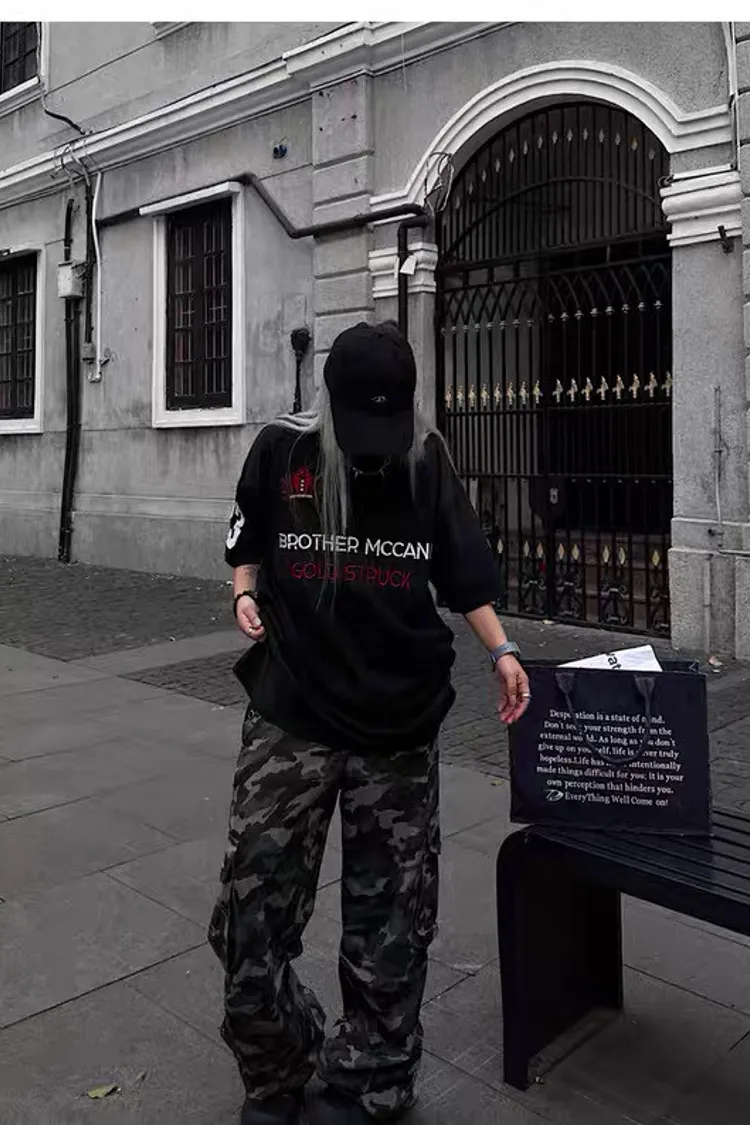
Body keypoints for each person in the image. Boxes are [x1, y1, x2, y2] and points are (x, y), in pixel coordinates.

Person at [210, 321, 530, 1125]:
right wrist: (245, 590)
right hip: (292, 708)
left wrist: (503, 651)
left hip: (397, 719)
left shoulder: (425, 461)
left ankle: (371, 1078)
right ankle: (277, 1062)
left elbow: (464, 573)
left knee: (391, 921)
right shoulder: (282, 451)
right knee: (250, 912)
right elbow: (249, 533)